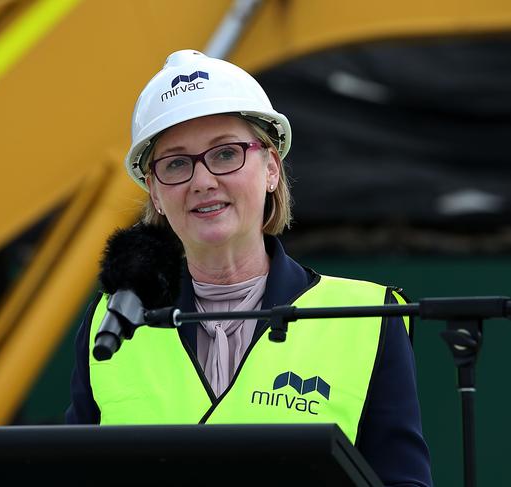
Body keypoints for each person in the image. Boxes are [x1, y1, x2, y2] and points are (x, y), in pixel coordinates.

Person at [66, 49, 432, 486]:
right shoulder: (112, 323)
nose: (202, 181)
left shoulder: (370, 317)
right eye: (176, 164)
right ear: (156, 194)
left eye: (225, 154)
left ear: (271, 168)